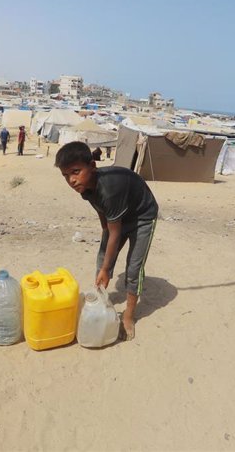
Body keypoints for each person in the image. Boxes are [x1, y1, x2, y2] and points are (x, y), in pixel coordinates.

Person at [55, 141, 159, 341]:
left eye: (76, 172)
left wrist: (107, 266)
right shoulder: (85, 188)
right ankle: (99, 300)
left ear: (92, 166)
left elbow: (115, 231)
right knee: (103, 257)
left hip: (143, 216)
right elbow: (104, 217)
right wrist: (105, 261)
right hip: (118, 216)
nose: (72, 180)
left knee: (133, 268)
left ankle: (129, 315)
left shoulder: (110, 188)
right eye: (66, 175)